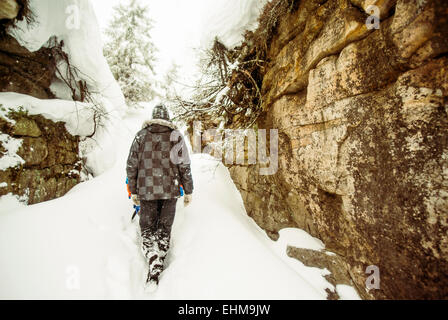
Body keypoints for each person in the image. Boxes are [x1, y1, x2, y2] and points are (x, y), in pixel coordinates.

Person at [126, 104, 193, 291]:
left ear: (153, 117)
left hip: (146, 191)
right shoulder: (176, 137)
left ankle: (152, 257)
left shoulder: (140, 136)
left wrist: (133, 191)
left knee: (147, 227)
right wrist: (188, 191)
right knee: (164, 227)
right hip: (170, 190)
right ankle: (160, 258)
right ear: (168, 118)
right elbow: (185, 166)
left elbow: (131, 166)